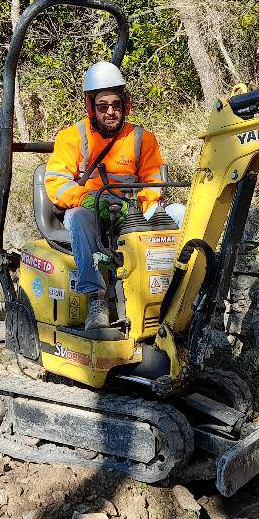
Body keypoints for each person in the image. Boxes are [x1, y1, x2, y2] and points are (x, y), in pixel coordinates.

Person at [44, 62, 185, 331]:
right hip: (93, 211)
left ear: (126, 104)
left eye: (116, 105)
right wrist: (87, 199)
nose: (111, 112)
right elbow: (57, 182)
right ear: (90, 107)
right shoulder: (71, 137)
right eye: (102, 106)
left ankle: (176, 292)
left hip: (132, 211)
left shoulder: (142, 138)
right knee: (77, 217)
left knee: (178, 213)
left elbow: (155, 181)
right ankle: (96, 299)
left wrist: (136, 204)